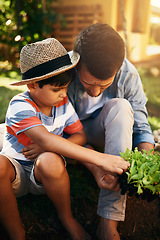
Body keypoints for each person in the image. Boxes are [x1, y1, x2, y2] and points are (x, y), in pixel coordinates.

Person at [0, 38, 130, 240]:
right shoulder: (20, 106)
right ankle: (17, 234)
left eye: (66, 88)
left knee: (51, 158)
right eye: (56, 89)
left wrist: (46, 149)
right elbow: (45, 139)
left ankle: (68, 219)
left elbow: (80, 135)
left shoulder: (62, 104)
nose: (63, 95)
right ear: (33, 85)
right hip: (15, 171)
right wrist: (102, 159)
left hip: (44, 173)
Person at [66, 23, 155, 240]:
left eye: (103, 84)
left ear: (117, 69)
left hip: (111, 131)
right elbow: (58, 133)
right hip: (74, 137)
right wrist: (96, 166)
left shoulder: (127, 73)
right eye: (88, 82)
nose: (95, 91)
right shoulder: (64, 71)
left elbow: (141, 128)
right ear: (78, 64)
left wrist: (145, 166)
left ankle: (108, 222)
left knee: (122, 107)